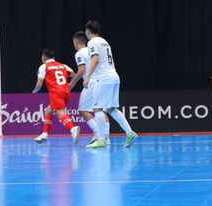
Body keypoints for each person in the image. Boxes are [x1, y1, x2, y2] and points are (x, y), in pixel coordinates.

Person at [82, 21, 138, 149]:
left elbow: (95, 60)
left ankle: (101, 140)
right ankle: (130, 133)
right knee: (111, 108)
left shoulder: (92, 42)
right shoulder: (104, 41)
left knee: (97, 108)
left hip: (103, 78)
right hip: (114, 76)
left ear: (88, 31)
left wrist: (87, 77)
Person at [32, 49, 81, 144]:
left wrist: (34, 92)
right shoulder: (63, 66)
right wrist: (70, 86)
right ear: (53, 58)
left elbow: (39, 84)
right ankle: (45, 133)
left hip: (56, 93)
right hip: (66, 92)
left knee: (60, 113)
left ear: (44, 57)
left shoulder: (44, 66)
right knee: (48, 110)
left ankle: (73, 129)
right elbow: (75, 76)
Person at [69, 31, 110, 144]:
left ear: (76, 43)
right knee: (101, 109)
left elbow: (81, 70)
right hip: (101, 81)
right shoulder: (91, 49)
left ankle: (98, 133)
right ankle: (106, 138)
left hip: (91, 83)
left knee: (82, 110)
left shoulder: (79, 53)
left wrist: (72, 83)